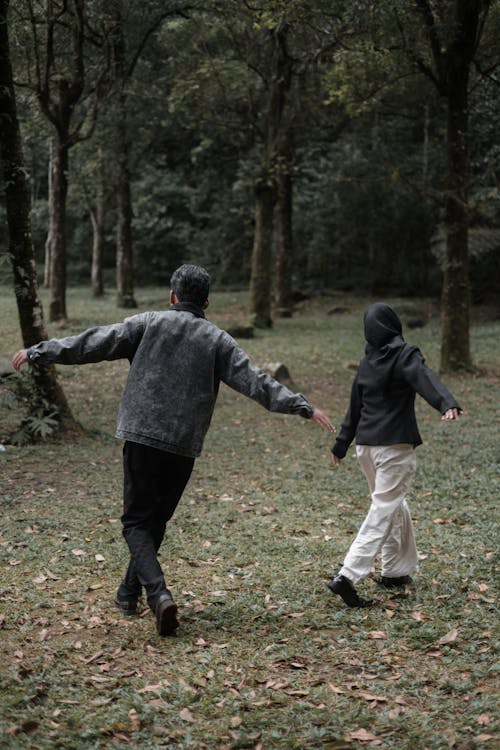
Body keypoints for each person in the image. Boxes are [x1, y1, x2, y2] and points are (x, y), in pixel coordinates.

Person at [12, 264, 334, 636]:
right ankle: (128, 593)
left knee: (136, 523)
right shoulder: (218, 340)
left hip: (142, 436)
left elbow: (92, 342)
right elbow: (257, 383)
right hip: (182, 444)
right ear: (206, 302)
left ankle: (158, 594)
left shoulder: (148, 322)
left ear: (172, 297)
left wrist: (40, 351)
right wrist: (303, 406)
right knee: (156, 521)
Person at [328, 302, 461, 608]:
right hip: (393, 448)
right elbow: (423, 377)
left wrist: (341, 444)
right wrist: (446, 402)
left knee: (392, 505)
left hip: (366, 449)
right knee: (384, 509)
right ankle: (348, 575)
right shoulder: (404, 355)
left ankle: (395, 570)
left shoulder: (367, 362)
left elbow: (354, 408)